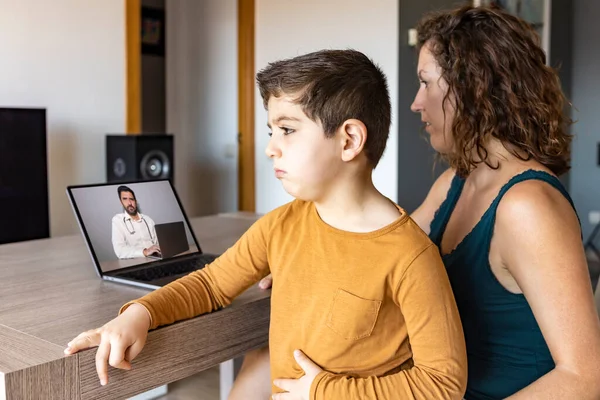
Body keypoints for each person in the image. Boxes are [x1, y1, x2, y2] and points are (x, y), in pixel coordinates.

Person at [64, 49, 468, 399]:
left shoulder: (410, 256)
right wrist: (139, 314)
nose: (270, 147)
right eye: (271, 130)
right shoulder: (282, 226)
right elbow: (210, 284)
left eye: (288, 130)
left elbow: (443, 383)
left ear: (348, 141)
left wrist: (325, 392)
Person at [249, 5, 600, 400]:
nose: (416, 103)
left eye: (426, 83)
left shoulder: (528, 205)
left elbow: (584, 377)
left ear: (473, 87)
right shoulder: (456, 182)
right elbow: (375, 251)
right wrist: (304, 261)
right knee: (266, 361)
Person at [111, 185, 160, 259]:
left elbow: (158, 244)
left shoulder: (148, 220)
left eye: (131, 199)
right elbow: (119, 251)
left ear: (136, 201)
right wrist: (144, 252)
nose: (129, 203)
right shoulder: (117, 220)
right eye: (125, 199)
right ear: (121, 202)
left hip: (155, 259)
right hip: (136, 262)